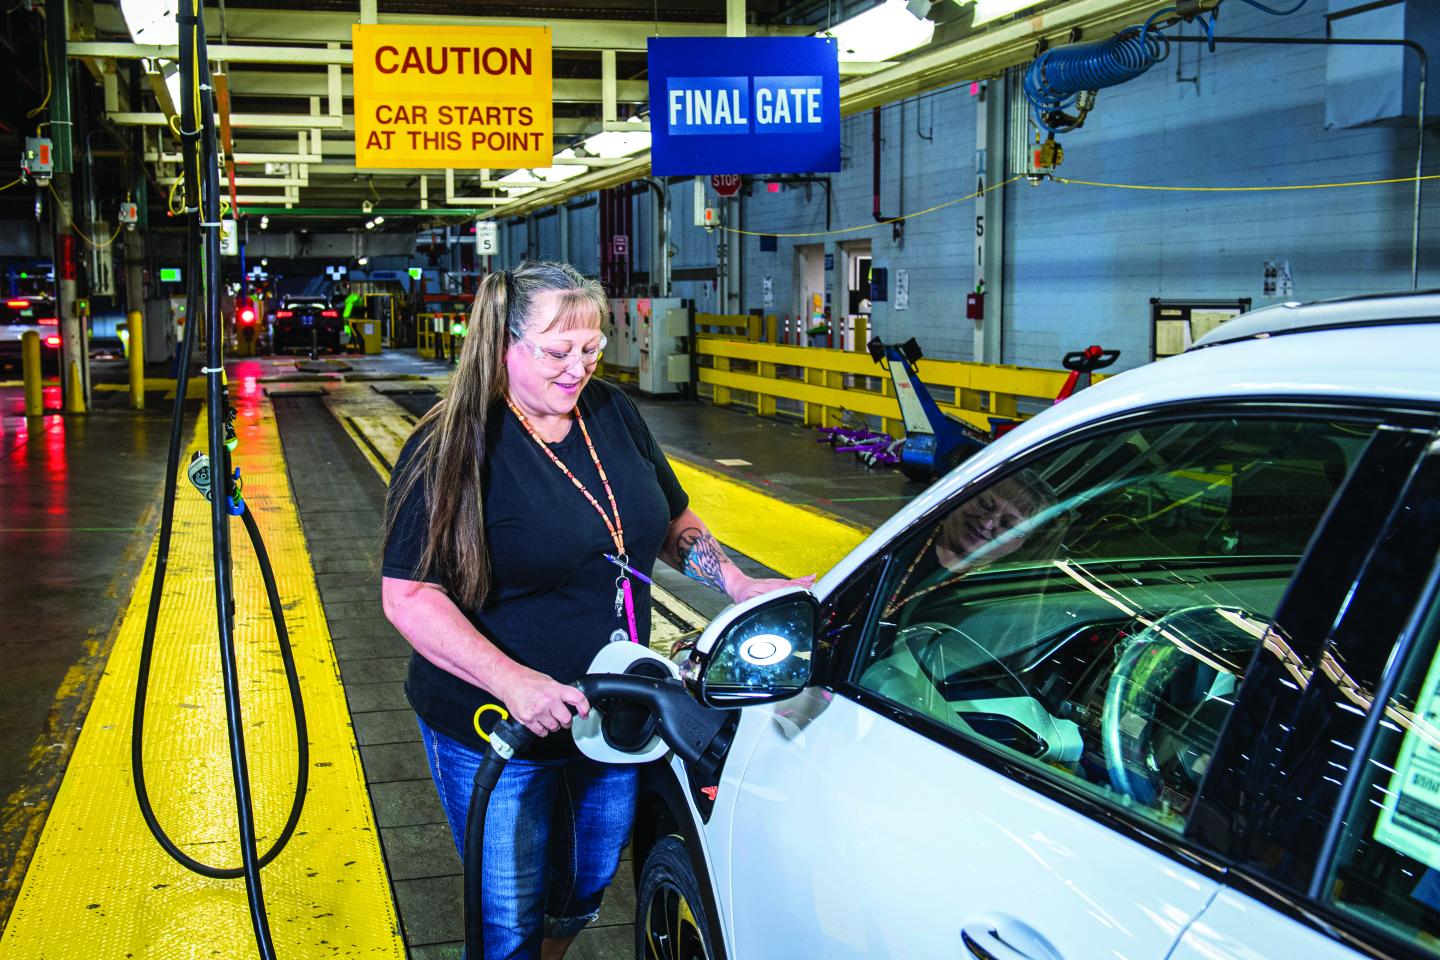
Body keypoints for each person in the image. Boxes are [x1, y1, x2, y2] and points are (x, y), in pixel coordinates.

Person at [380, 260, 810, 960]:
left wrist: (735, 583)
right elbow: (409, 596)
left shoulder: (612, 412)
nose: (577, 369)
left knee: (582, 890)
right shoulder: (453, 445)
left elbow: (671, 521)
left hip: (613, 710)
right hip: (499, 722)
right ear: (500, 346)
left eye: (590, 349)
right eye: (556, 352)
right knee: (507, 914)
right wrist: (514, 682)